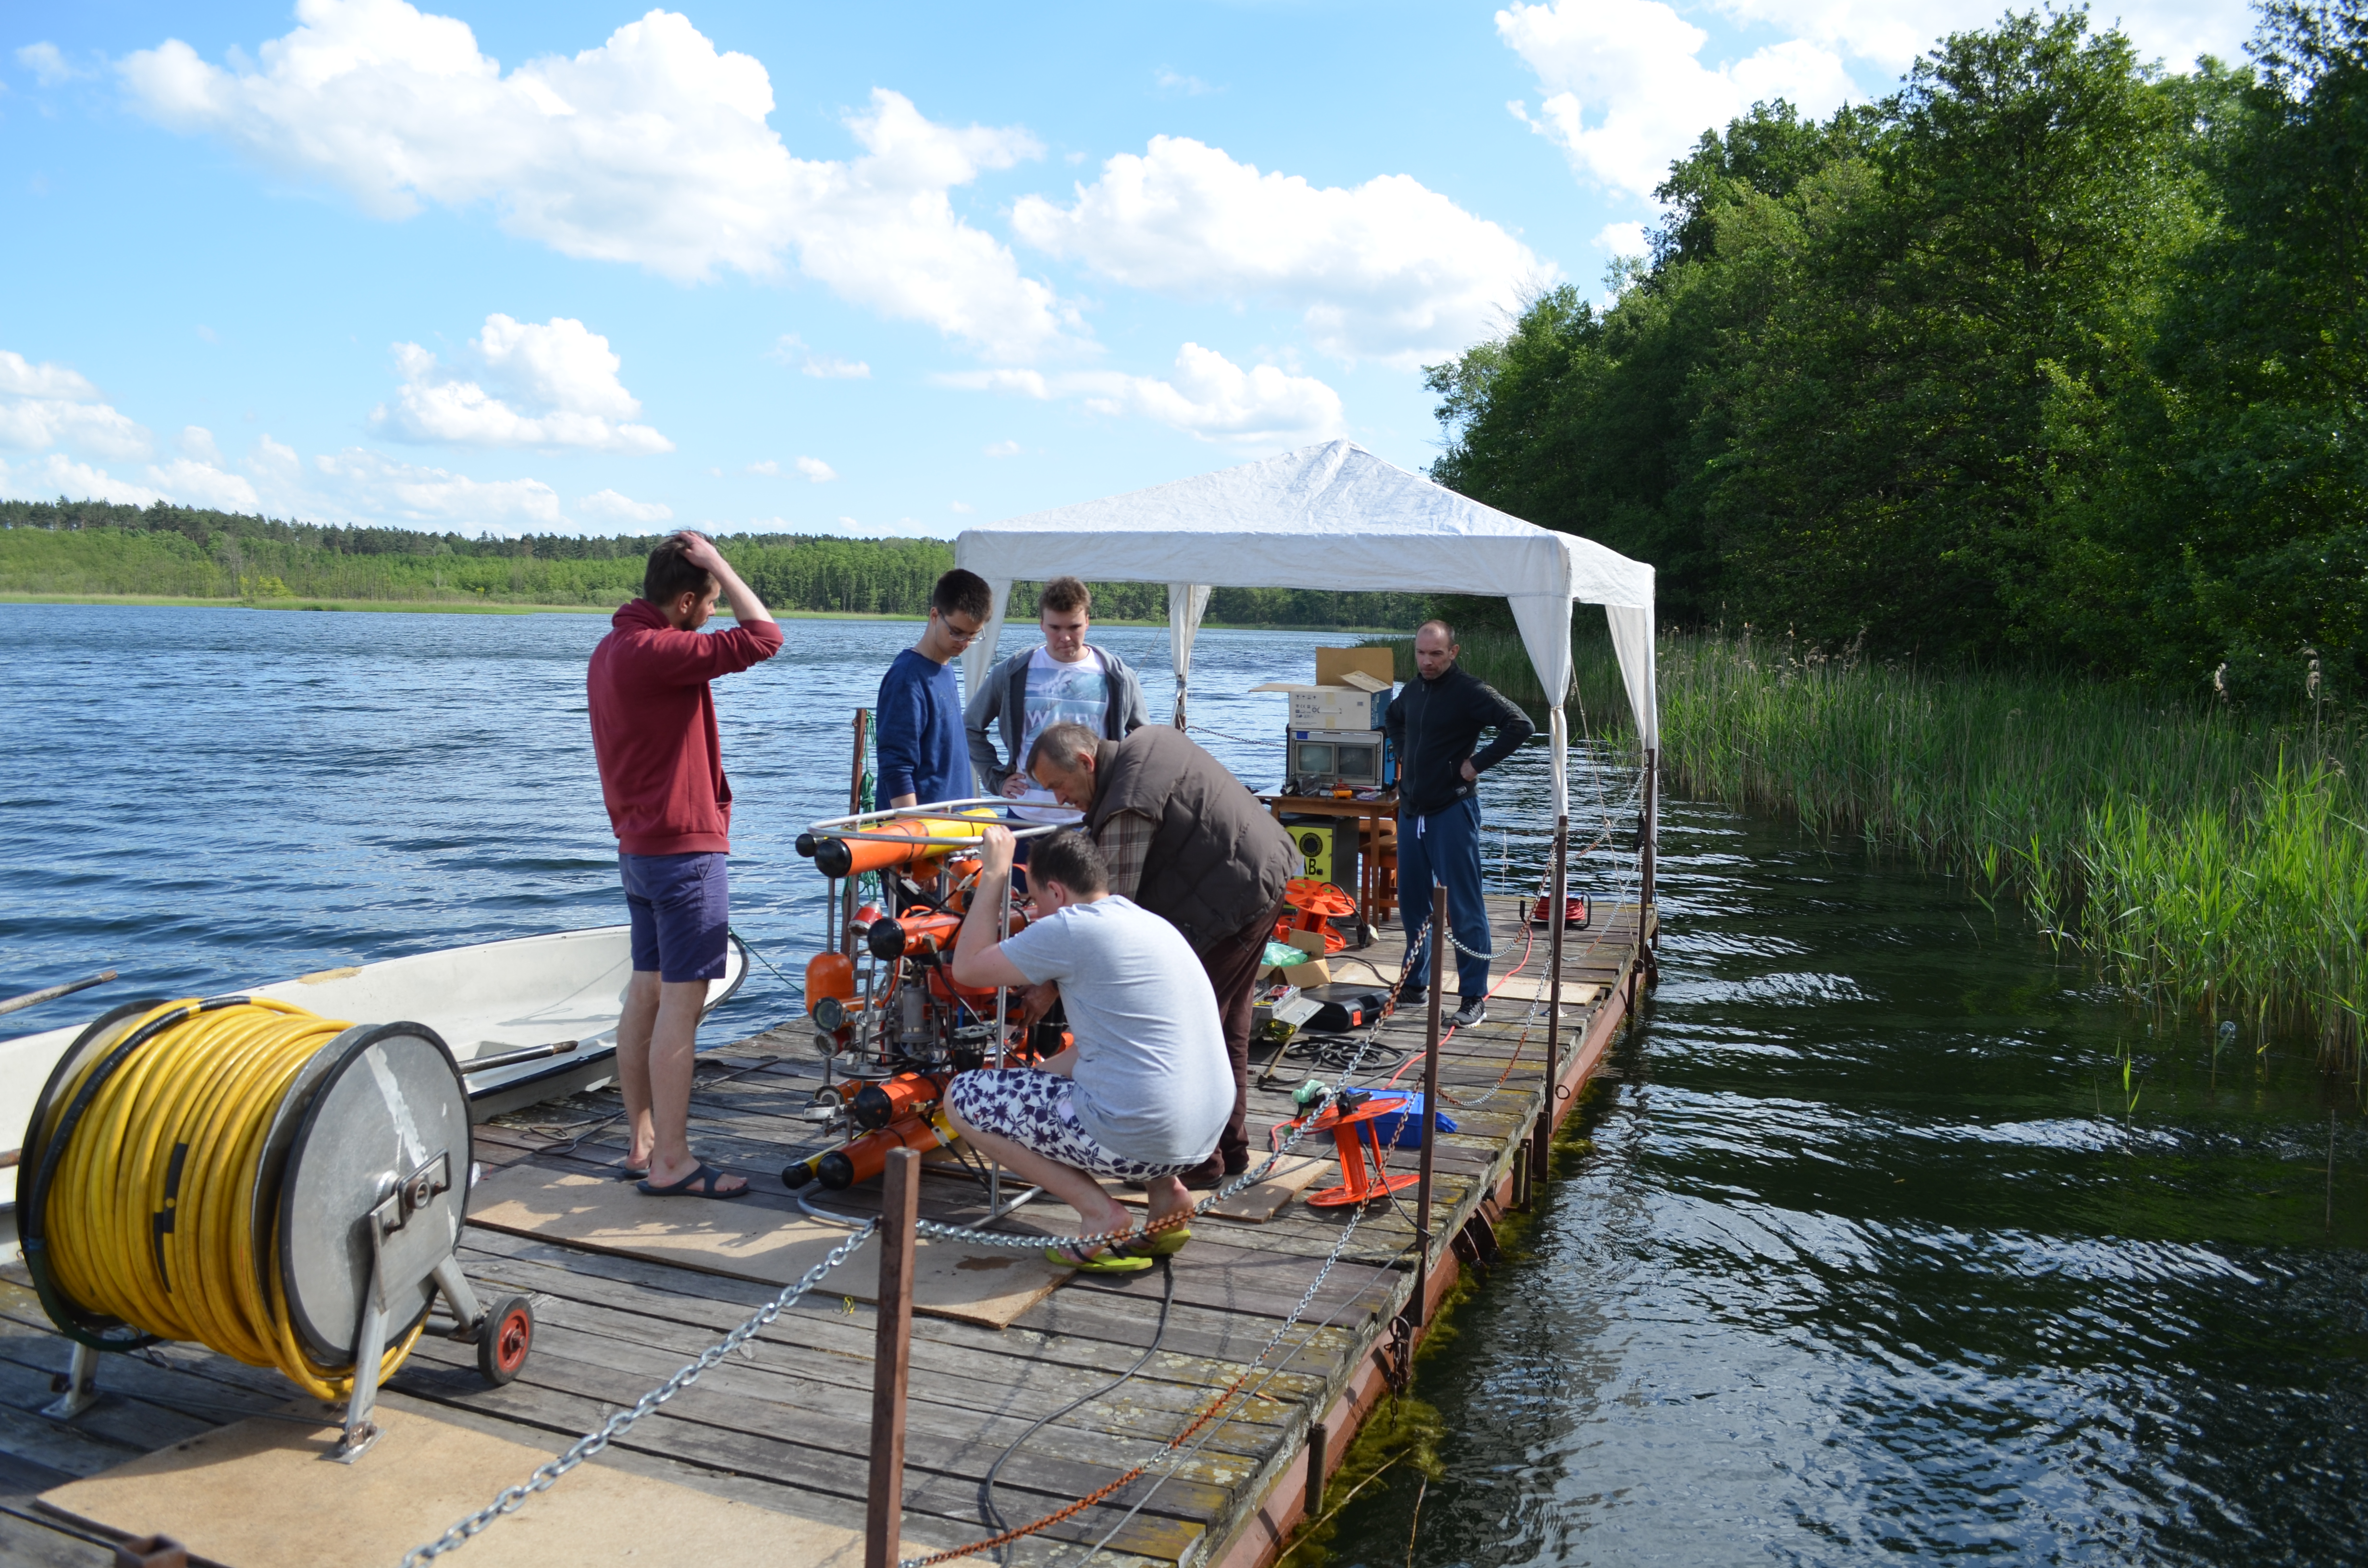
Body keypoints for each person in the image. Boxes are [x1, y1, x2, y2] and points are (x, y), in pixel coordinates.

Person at [586, 531, 782, 1200]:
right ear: (689, 600)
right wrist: (724, 563)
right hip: (684, 853)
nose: (716, 614)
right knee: (682, 1006)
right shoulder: (658, 649)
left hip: (639, 851)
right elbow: (764, 638)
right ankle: (672, 1160)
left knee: (645, 992)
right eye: (711, 602)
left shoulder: (611, 648)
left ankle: (641, 1144)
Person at [944, 827, 1230, 1272]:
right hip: (1205, 1132)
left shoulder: (1070, 927)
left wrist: (996, 873)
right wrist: (1033, 1081)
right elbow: (1112, 1044)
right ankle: (1168, 1198)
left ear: (1056, 891)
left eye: (1037, 901)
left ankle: (1102, 1214)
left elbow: (967, 968)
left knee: (962, 1098)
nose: (1035, 913)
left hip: (1143, 1132)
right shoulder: (1147, 922)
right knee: (1131, 1084)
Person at [1024, 721, 1296, 1188]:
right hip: (1264, 874)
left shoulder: (1126, 801)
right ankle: (1229, 1151)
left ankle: (1196, 1164)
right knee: (1226, 1025)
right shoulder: (1145, 742)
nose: (1059, 801)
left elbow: (1110, 916)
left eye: (1059, 786)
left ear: (1086, 763)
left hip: (1232, 899)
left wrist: (1048, 983)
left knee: (1188, 1031)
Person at [1384, 619, 1534, 1027]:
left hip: (1452, 810)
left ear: (1454, 652)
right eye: (1421, 653)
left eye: (1436, 654)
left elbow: (1520, 725)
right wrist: (1403, 751)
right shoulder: (1413, 690)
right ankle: (1415, 984)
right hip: (1412, 810)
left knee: (1465, 908)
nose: (1427, 661)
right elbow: (1394, 718)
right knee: (1413, 904)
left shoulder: (1470, 692)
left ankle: (1473, 997)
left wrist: (1474, 765)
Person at [964, 576, 1151, 823]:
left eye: (1074, 627)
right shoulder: (1011, 673)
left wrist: (1121, 786)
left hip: (1092, 817)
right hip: (1024, 813)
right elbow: (970, 727)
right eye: (1055, 628)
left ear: (1087, 622)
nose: (1065, 638)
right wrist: (995, 779)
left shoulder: (1118, 676)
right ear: (1041, 624)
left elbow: (1144, 740)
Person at [877, 568, 992, 808]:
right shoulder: (907, 677)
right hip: (923, 834)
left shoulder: (944, 668)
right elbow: (896, 767)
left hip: (954, 828)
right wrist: (915, 835)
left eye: (972, 636)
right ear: (934, 615)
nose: (964, 644)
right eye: (957, 633)